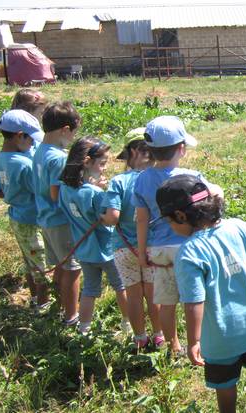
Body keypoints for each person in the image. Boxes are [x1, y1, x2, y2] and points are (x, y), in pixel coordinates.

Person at [156, 174, 246, 413]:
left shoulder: (189, 253)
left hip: (220, 339)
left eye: (169, 221)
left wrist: (194, 341)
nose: (170, 227)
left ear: (181, 216)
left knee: (224, 382)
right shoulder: (238, 227)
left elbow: (194, 301)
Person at [133, 115, 223, 355]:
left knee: (166, 300)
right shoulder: (191, 177)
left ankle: (174, 345)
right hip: (190, 245)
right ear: (181, 149)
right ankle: (200, 342)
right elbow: (214, 197)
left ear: (149, 150)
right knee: (195, 296)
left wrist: (142, 252)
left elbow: (141, 219)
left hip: (159, 249)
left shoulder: (142, 179)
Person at [58, 137, 129, 335]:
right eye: (102, 163)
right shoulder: (94, 193)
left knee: (89, 289)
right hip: (106, 249)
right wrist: (101, 190)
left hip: (85, 251)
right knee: (120, 285)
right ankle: (127, 324)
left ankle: (84, 328)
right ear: (87, 162)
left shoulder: (64, 188)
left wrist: (94, 186)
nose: (104, 168)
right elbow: (108, 216)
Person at [103, 128, 161, 349]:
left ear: (132, 152)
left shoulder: (119, 182)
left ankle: (140, 338)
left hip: (123, 248)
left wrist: (101, 216)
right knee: (153, 294)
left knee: (134, 295)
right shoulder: (156, 180)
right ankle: (159, 336)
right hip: (151, 247)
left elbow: (112, 217)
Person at [0, 110, 50, 310]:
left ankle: (34, 299)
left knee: (30, 261)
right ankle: (43, 307)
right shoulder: (25, 164)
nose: (33, 144)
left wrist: (13, 196)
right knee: (42, 267)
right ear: (19, 136)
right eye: (31, 139)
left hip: (17, 217)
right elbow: (40, 191)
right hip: (32, 220)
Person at [32, 102, 83, 326]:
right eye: (73, 133)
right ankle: (72, 317)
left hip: (44, 218)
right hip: (60, 220)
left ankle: (61, 307)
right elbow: (56, 193)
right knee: (73, 269)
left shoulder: (39, 150)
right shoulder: (59, 158)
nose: (72, 138)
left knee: (60, 266)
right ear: (64, 129)